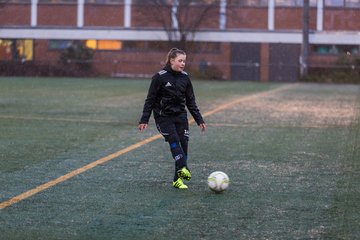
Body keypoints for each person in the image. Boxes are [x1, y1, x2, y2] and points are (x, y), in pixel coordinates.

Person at [138, 48, 206, 190]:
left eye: (184, 61)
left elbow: (191, 101)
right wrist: (144, 119)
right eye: (180, 61)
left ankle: (177, 180)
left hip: (180, 116)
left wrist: (199, 120)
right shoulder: (159, 77)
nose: (183, 64)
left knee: (184, 145)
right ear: (171, 60)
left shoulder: (185, 77)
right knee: (174, 141)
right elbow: (150, 100)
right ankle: (183, 167)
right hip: (164, 117)